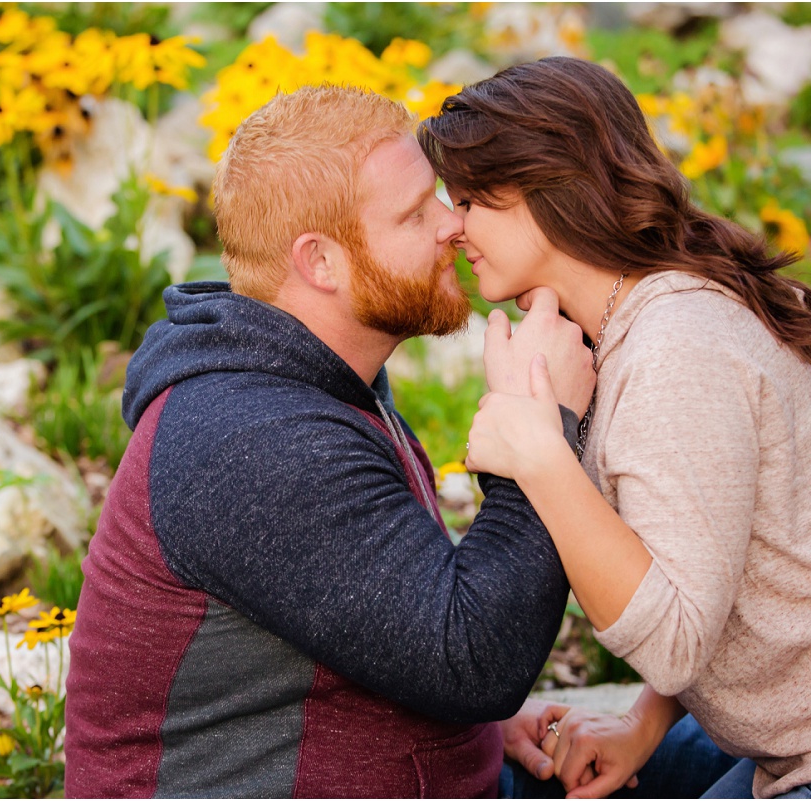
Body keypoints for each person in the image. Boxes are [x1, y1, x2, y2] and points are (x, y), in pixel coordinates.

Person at [62, 83, 598, 797]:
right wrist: (538, 427)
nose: (453, 226)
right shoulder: (250, 440)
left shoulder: (316, 383)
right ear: (320, 263)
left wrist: (476, 732)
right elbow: (474, 663)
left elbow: (390, 618)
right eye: (415, 213)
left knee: (746, 755)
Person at [418, 56, 811, 799]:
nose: (454, 226)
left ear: (547, 188)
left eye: (472, 199)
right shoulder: (635, 326)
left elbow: (675, 639)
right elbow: (706, 559)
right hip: (808, 736)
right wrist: (644, 723)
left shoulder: (674, 348)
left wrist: (540, 453)